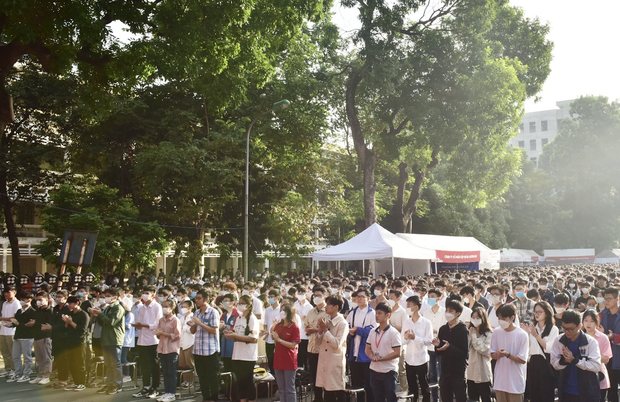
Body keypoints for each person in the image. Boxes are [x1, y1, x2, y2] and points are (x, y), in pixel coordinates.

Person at [550, 309, 601, 402]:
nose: (567, 332)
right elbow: (554, 362)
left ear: (580, 326)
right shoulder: (559, 340)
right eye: (564, 328)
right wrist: (564, 361)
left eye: (571, 329)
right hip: (566, 391)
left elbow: (596, 366)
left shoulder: (590, 342)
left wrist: (575, 360)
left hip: (587, 392)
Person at [90, 287, 126, 395]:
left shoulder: (118, 308)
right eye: (105, 296)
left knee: (115, 363)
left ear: (115, 297)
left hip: (114, 339)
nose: (106, 298)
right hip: (105, 338)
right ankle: (109, 384)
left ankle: (117, 385)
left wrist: (100, 314)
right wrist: (96, 315)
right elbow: (103, 323)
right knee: (108, 363)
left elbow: (111, 322)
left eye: (108, 296)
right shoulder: (108, 308)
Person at [490, 304, 529, 402]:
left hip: (515, 382)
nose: (501, 321)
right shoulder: (496, 332)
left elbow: (522, 359)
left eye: (503, 318)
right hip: (500, 381)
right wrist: (497, 355)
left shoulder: (522, 335)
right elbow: (492, 353)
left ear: (512, 318)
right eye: (499, 318)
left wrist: (508, 355)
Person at [432, 299, 469, 402]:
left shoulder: (463, 330)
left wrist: (450, 347)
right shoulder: (443, 329)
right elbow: (438, 352)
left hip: (458, 371)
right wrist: (438, 346)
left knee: (460, 397)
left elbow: (464, 354)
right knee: (446, 397)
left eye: (451, 311)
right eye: (446, 310)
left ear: (458, 313)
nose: (448, 313)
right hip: (444, 370)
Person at [522, 301, 559, 402]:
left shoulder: (553, 329)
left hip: (545, 363)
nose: (537, 314)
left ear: (546, 313)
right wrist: (526, 334)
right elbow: (528, 348)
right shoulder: (532, 328)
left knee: (546, 393)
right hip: (533, 362)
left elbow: (550, 348)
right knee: (534, 393)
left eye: (540, 312)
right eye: (535, 312)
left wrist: (536, 336)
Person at [132, 285, 164, 399]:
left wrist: (144, 325)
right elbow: (140, 322)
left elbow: (158, 324)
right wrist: (137, 325)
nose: (144, 295)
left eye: (147, 293)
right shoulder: (142, 307)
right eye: (143, 292)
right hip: (142, 339)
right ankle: (145, 386)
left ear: (153, 294)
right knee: (144, 365)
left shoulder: (157, 307)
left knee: (154, 364)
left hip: (152, 339)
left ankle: (155, 387)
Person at [365, 302, 401, 402]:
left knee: (390, 398)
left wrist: (381, 359)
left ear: (388, 315)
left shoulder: (393, 333)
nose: (377, 316)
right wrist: (372, 356)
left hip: (389, 371)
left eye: (380, 313)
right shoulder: (373, 331)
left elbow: (398, 352)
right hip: (374, 371)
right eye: (376, 313)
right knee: (377, 398)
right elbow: (367, 348)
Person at [226, 294, 259, 402]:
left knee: (248, 381)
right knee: (239, 382)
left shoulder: (252, 319)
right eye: (239, 303)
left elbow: (253, 338)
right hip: (237, 354)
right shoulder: (239, 318)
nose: (240, 305)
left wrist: (235, 336)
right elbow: (236, 333)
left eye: (242, 303)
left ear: (249, 305)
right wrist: (230, 334)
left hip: (248, 355)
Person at [316, 294, 349, 402]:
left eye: (329, 304)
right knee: (327, 390)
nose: (326, 307)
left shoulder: (343, 323)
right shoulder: (326, 320)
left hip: (335, 362)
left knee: (337, 390)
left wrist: (325, 331)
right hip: (325, 360)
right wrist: (320, 331)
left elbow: (336, 344)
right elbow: (318, 342)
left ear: (336, 307)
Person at [346, 288, 376, 402]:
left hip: (366, 354)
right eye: (357, 297)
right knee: (356, 383)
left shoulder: (372, 314)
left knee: (368, 384)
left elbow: (372, 332)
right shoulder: (353, 313)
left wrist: (357, 330)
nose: (359, 299)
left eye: (362, 297)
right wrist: (350, 332)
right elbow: (346, 329)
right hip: (354, 353)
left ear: (368, 299)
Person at [190, 289, 221, 402]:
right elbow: (193, 331)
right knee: (202, 377)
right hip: (198, 349)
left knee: (212, 376)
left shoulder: (213, 312)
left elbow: (214, 330)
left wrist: (200, 323)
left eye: (199, 298)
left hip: (210, 350)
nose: (196, 300)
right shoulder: (197, 312)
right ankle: (205, 398)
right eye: (196, 298)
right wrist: (193, 324)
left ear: (206, 299)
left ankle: (214, 398)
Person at [401, 295, 433, 402]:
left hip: (421, 359)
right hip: (409, 359)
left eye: (409, 306)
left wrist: (415, 338)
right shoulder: (406, 322)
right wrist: (406, 337)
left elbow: (429, 341)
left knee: (424, 386)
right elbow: (402, 341)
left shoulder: (426, 323)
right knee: (412, 387)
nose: (407, 308)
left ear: (416, 307)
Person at [271, 302, 301, 402]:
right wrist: (273, 331)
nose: (281, 312)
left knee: (289, 389)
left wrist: (280, 340)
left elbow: (293, 345)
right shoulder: (278, 325)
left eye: (284, 310)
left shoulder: (294, 327)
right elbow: (275, 341)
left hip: (289, 360)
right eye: (281, 310)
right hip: (278, 359)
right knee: (281, 389)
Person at [154, 299, 182, 402]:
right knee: (165, 372)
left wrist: (164, 334)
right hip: (162, 348)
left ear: (172, 308)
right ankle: (167, 392)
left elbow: (177, 335)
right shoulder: (161, 320)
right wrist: (157, 333)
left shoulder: (175, 320)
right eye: (163, 306)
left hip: (172, 349)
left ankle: (172, 393)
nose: (164, 308)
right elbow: (158, 331)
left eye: (166, 306)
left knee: (172, 371)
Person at [305, 286, 329, 402]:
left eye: (319, 295)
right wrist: (312, 329)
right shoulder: (311, 312)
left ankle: (327, 397)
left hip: (323, 349)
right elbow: (306, 327)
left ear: (324, 297)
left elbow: (326, 329)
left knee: (324, 375)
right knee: (314, 374)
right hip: (312, 347)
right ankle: (317, 397)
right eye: (315, 295)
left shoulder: (328, 312)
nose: (316, 298)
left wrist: (314, 329)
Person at [61, 295, 90, 391]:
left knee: (79, 362)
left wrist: (71, 322)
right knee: (71, 362)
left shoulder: (83, 314)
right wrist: (66, 322)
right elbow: (66, 328)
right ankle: (75, 381)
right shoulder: (70, 313)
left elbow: (82, 330)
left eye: (71, 303)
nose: (69, 305)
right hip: (70, 340)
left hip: (79, 342)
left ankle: (82, 382)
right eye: (68, 303)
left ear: (77, 303)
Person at [422, 288, 446, 402]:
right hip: (430, 347)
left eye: (433, 296)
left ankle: (443, 397)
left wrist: (437, 331)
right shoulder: (426, 313)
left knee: (442, 373)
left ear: (439, 298)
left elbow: (446, 329)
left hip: (442, 347)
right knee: (432, 374)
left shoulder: (445, 312)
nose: (430, 298)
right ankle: (434, 398)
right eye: (429, 296)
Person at [582, 309, 611, 402]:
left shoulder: (603, 337)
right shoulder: (579, 337)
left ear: (597, 323)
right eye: (586, 320)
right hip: (583, 376)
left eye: (591, 321)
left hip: (599, 376)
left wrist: (592, 355)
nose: (588, 324)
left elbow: (606, 359)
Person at [8, 292, 36, 383]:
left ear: (29, 300)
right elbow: (16, 322)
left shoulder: (32, 312)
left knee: (27, 356)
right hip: (18, 336)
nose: (21, 301)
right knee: (15, 356)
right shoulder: (19, 311)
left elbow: (29, 325)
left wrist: (18, 324)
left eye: (23, 300)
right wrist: (11, 324)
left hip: (27, 337)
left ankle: (26, 374)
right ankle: (17, 373)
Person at [467, 307, 492, 402]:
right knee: (473, 398)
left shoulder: (488, 333)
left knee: (486, 397)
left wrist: (474, 337)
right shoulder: (468, 331)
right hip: (471, 371)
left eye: (477, 317)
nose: (475, 319)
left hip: (483, 371)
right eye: (473, 317)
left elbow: (484, 349)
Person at [599, 286, 620, 402]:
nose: (606, 301)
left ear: (617, 299)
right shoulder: (602, 315)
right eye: (605, 299)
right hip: (608, 358)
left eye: (609, 299)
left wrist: (613, 337)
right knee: (611, 391)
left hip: (618, 355)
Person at [31, 291, 53, 385]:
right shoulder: (37, 310)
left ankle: (46, 375)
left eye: (40, 300)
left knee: (46, 357)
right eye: (37, 300)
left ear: (47, 300)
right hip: (37, 336)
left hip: (45, 336)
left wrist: (36, 323)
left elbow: (48, 324)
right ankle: (40, 374)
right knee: (39, 357)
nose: (38, 302)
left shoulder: (50, 310)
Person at [0, 286, 20, 378]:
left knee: (13, 352)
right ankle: (8, 368)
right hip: (3, 331)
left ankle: (14, 369)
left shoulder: (16, 303)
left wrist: (2, 319)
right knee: (4, 351)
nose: (6, 294)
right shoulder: (5, 303)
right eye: (5, 292)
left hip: (12, 331)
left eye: (8, 292)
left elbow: (15, 317)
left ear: (14, 292)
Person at [178, 299, 195, 389]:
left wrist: (183, 327)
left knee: (190, 363)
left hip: (189, 342)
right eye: (182, 307)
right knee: (182, 363)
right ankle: (185, 380)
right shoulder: (181, 317)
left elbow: (191, 331)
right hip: (181, 342)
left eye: (185, 307)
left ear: (190, 308)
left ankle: (191, 381)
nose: (183, 309)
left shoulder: (193, 317)